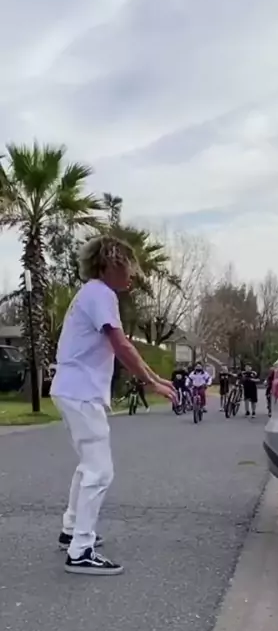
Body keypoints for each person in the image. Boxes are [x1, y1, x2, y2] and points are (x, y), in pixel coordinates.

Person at [51, 235, 176, 576]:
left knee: (88, 465)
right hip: (80, 392)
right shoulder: (100, 294)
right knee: (99, 471)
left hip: (72, 390)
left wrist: (153, 378)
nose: (133, 275)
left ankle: (71, 530)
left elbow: (120, 346)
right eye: (127, 267)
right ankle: (81, 550)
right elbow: (121, 345)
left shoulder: (92, 293)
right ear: (109, 266)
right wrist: (152, 381)